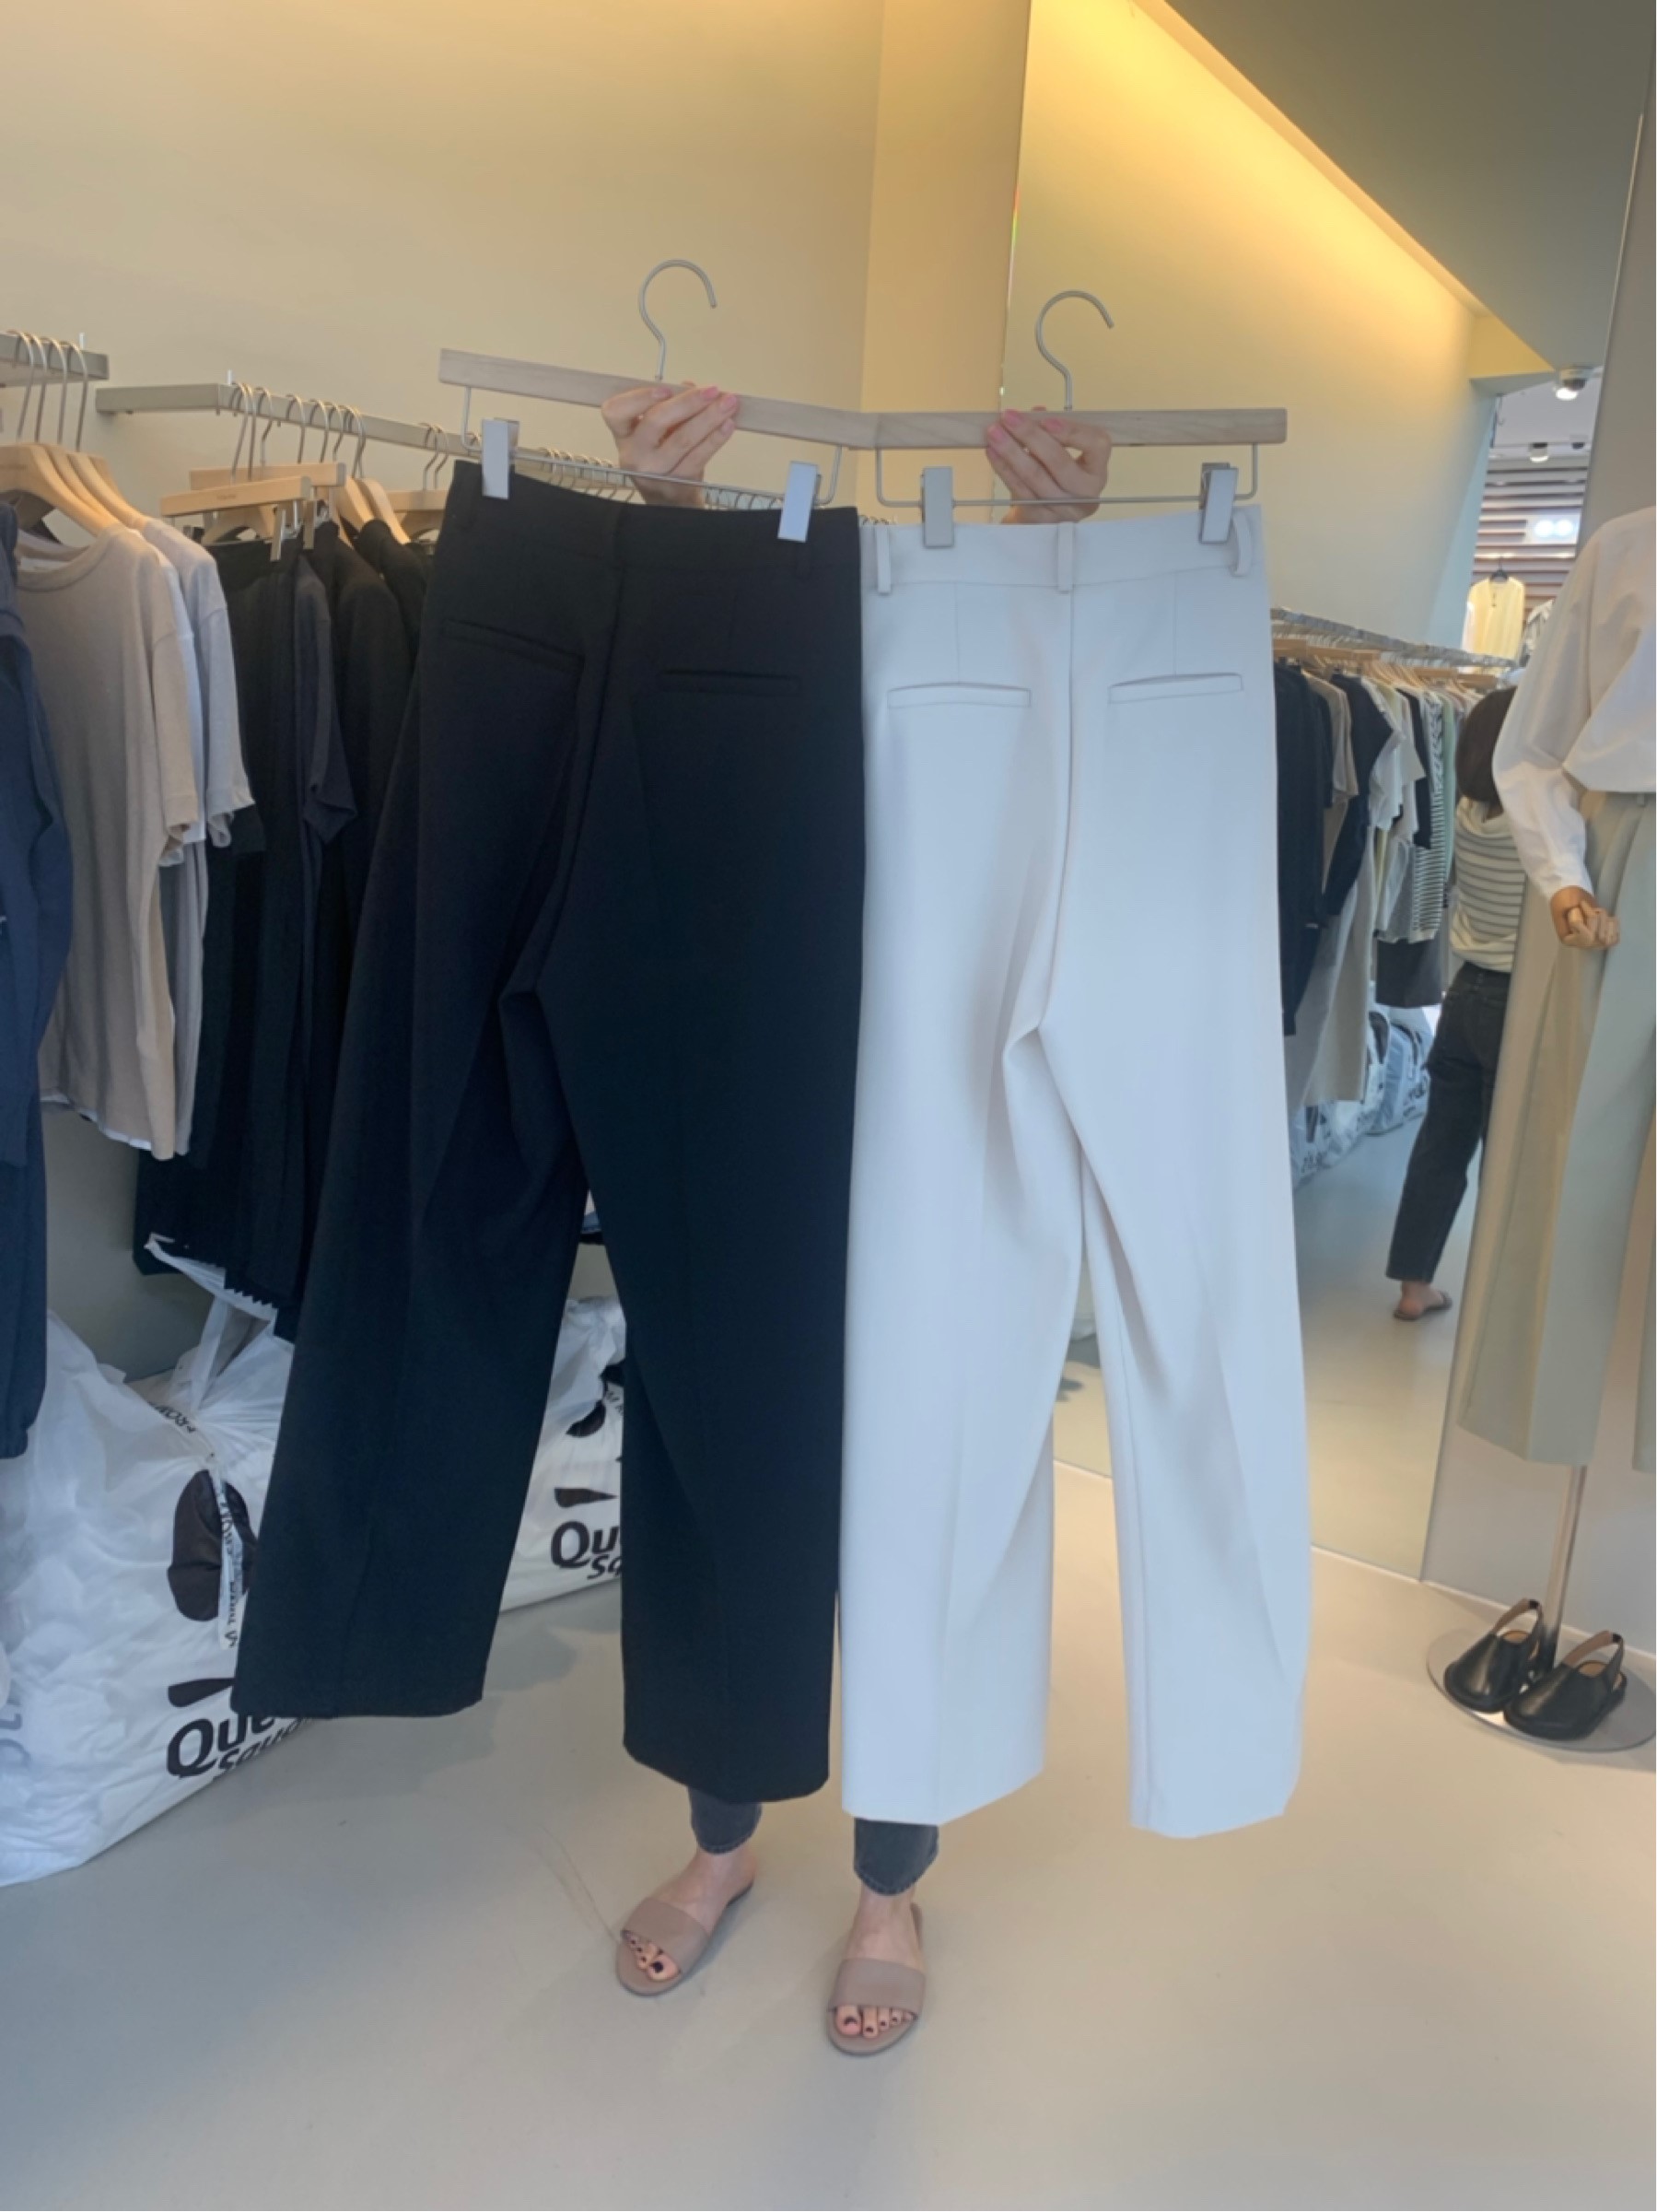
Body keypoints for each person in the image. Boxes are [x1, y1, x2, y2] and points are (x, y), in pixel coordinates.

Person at [597, 381, 1113, 2050]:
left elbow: (1055, 787)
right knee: (716, 1463)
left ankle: (891, 1882)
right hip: (754, 1083)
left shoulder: (975, 636)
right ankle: (721, 1841)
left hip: (945, 1098)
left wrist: (1049, 545)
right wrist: (669, 518)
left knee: (928, 1479)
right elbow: (670, 743)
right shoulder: (773, 608)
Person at [1386, 686, 1525, 1320]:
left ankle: (1413, 1287)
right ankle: (1500, 1301)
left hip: (1463, 995)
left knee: (1440, 1145)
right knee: (1509, 1157)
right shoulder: (1539, 825)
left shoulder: (1467, 812)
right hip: (1515, 1004)